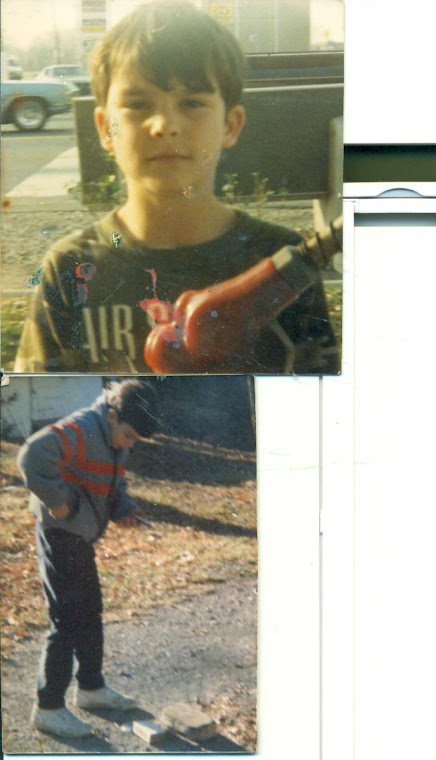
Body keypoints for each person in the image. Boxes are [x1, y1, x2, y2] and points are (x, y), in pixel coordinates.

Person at [14, 0, 339, 375]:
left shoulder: (284, 262)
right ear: (105, 128)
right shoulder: (69, 269)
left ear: (231, 125)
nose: (164, 125)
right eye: (137, 104)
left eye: (192, 102)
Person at [17, 379, 157, 738]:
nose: (129, 445)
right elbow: (31, 455)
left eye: (135, 442)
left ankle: (91, 689)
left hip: (80, 536)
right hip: (59, 532)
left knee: (90, 609)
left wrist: (124, 509)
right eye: (128, 436)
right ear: (112, 414)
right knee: (66, 618)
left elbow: (115, 483)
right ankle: (47, 708)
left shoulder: (114, 438)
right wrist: (56, 499)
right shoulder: (80, 428)